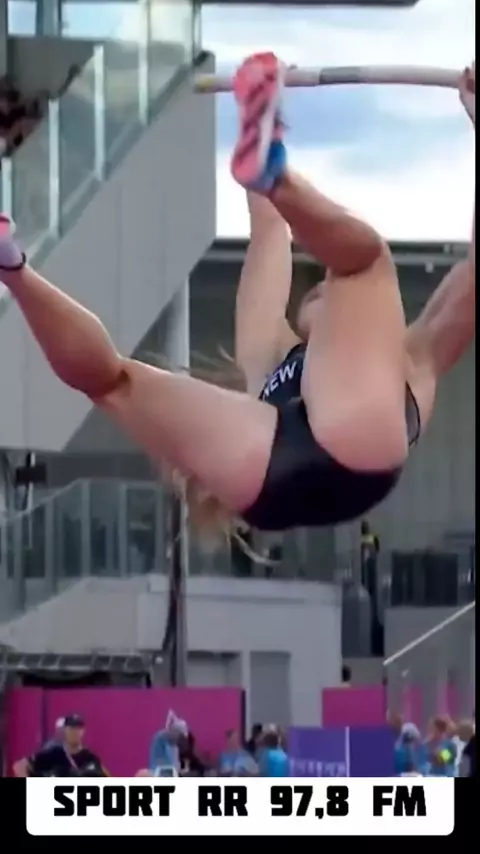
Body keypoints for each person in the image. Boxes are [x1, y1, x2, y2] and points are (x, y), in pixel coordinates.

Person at [0, 59, 475, 539]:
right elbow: (269, 228)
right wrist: (264, 113)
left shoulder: (411, 356)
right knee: (113, 381)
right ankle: (11, 264)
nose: (323, 291)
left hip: (304, 462)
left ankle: (275, 173)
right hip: (279, 470)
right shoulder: (271, 351)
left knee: (363, 262)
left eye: (322, 289)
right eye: (316, 290)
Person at [16, 713, 107, 777]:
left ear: (83, 731)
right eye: (71, 728)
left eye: (78, 728)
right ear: (65, 730)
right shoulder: (53, 754)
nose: (75, 732)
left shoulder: (90, 758)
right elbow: (19, 767)